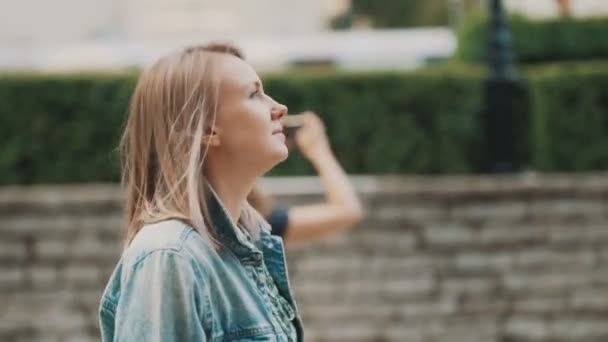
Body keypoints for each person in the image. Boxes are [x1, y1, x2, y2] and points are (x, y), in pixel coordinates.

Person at [99, 43, 303, 341]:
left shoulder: (245, 244)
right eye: (253, 94)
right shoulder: (169, 255)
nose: (279, 108)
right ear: (206, 130)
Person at [248, 112, 364, 245]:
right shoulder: (255, 224)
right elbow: (347, 211)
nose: (280, 109)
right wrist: (318, 149)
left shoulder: (255, 221)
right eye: (253, 95)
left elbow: (347, 212)